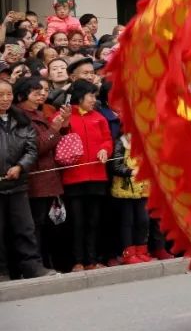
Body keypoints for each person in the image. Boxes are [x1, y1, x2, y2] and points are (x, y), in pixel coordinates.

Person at [0, 78, 55, 280]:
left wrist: (20, 166)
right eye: (0, 95)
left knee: (25, 228)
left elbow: (31, 148)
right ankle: (3, 271)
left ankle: (32, 267)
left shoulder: (21, 120)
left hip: (18, 183)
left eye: (8, 94)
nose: (5, 99)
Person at [15, 77, 66, 269]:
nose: (42, 95)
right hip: (35, 177)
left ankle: (47, 262)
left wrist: (63, 125)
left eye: (44, 91)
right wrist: (55, 129)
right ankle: (35, 264)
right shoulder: (21, 116)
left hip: (48, 175)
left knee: (46, 224)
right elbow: (36, 147)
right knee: (35, 224)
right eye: (36, 92)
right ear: (22, 95)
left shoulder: (38, 113)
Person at [63, 79, 114, 271]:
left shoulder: (99, 117)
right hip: (73, 177)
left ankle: (92, 259)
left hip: (97, 176)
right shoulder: (67, 116)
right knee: (76, 222)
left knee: (94, 221)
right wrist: (63, 122)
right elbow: (59, 137)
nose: (94, 99)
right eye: (91, 95)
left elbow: (108, 140)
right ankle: (77, 260)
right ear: (80, 96)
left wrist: (104, 150)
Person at [109, 132, 152, 264]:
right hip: (125, 190)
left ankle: (141, 250)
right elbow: (115, 165)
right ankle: (128, 252)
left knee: (143, 220)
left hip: (142, 188)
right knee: (128, 221)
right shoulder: (120, 142)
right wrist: (130, 171)